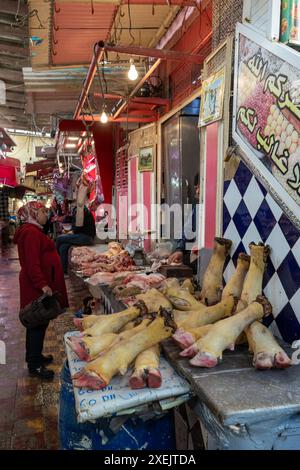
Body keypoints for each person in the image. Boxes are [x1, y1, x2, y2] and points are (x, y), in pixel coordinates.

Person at [14, 201, 69, 379]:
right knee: (37, 323)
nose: (46, 215)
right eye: (43, 212)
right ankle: (35, 365)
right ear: (33, 213)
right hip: (35, 287)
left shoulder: (33, 230)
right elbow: (32, 264)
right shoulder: (30, 233)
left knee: (39, 322)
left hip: (37, 285)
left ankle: (35, 357)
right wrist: (43, 285)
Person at [168, 173, 200, 270]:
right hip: (195, 259)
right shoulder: (197, 209)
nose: (197, 191)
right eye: (196, 188)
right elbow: (187, 231)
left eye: (200, 187)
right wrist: (180, 250)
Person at [56, 205, 96, 275]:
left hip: (86, 238)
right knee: (63, 246)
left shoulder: (80, 212)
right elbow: (76, 228)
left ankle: (54, 260)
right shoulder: (82, 210)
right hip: (84, 237)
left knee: (60, 238)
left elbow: (76, 229)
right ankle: (63, 271)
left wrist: (69, 232)